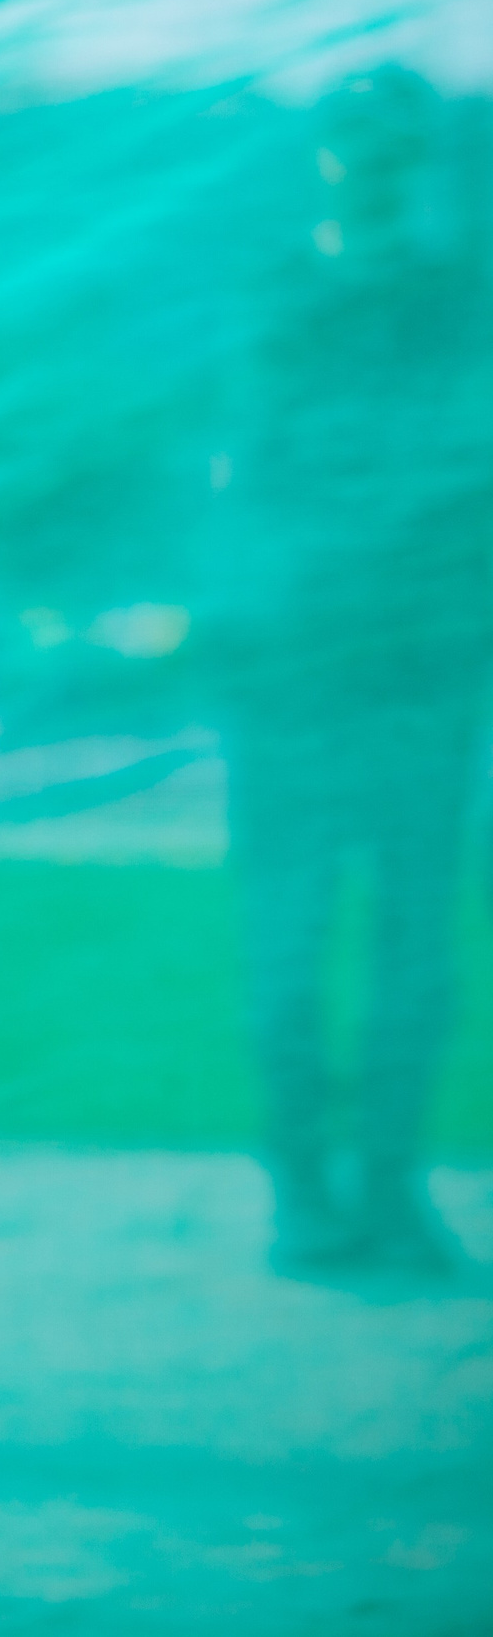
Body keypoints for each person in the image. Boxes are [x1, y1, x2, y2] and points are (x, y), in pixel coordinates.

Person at [206, 68, 493, 1276]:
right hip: (303, 665)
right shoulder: (282, 299)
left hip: (409, 662)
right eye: (356, 148)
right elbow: (246, 476)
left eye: (392, 150)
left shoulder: (450, 300)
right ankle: (307, 1191)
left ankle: (377, 1183)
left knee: (408, 941)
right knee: (295, 933)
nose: (373, 170)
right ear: (329, 158)